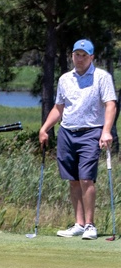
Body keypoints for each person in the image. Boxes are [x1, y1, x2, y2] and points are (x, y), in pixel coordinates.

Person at [38, 39, 116, 240]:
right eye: (76, 55)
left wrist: (106, 131)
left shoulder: (102, 77)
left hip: (91, 132)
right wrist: (45, 128)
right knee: (73, 180)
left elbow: (110, 105)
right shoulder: (65, 79)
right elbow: (59, 108)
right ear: (72, 56)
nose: (79, 59)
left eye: (84, 55)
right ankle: (79, 224)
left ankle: (90, 225)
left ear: (92, 57)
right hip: (67, 132)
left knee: (86, 179)